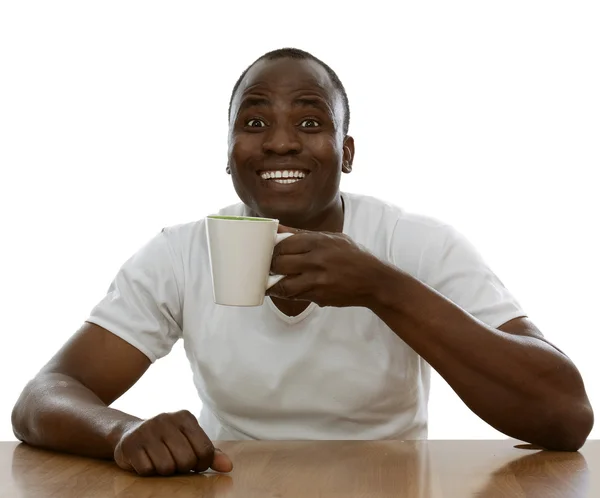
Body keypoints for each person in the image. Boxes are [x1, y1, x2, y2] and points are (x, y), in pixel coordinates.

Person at [12, 48, 594, 477]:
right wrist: (124, 432)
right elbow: (42, 397)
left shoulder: (416, 244)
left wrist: (382, 288)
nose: (280, 143)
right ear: (230, 154)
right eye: (255, 122)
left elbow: (564, 415)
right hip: (231, 482)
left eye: (311, 123)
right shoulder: (181, 251)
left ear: (346, 152)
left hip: (389, 487)